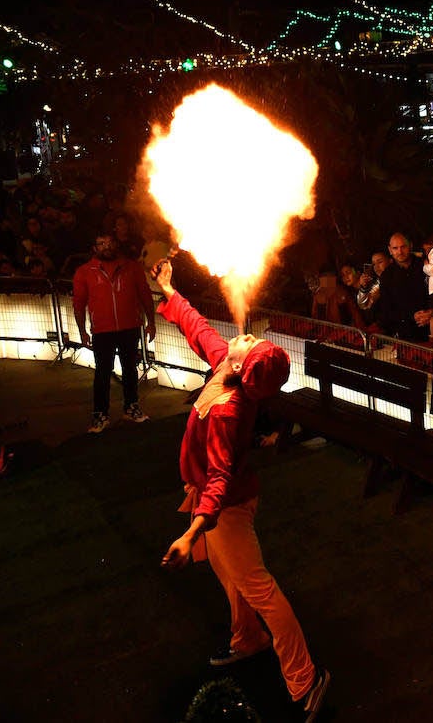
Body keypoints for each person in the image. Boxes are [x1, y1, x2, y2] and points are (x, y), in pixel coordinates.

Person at [150, 260, 329, 722]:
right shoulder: (225, 366)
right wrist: (169, 289)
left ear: (241, 365)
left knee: (259, 588)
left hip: (226, 507)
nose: (245, 336)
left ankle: (306, 679)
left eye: (251, 343)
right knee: (229, 575)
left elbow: (219, 479)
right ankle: (247, 639)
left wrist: (191, 533)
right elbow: (198, 328)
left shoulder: (229, 411)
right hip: (220, 501)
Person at [72, 231, 156, 434]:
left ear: (116, 244)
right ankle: (100, 413)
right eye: (101, 243)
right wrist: (82, 331)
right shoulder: (84, 272)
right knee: (102, 372)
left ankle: (131, 407)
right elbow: (78, 304)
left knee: (130, 369)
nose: (106, 246)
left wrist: (151, 322)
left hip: (130, 326)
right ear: (94, 248)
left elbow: (145, 294)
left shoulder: (132, 267)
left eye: (109, 242)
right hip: (102, 330)